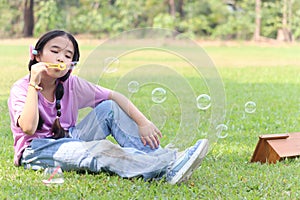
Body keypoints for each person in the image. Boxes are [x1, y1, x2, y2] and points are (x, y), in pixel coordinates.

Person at [8, 30, 208, 184]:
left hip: (69, 137)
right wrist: (34, 83)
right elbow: (28, 128)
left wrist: (143, 122)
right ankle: (166, 166)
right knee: (100, 149)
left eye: (68, 55)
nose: (61, 58)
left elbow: (115, 96)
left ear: (72, 64)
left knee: (109, 107)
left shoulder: (72, 85)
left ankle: (166, 159)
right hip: (36, 150)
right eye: (54, 51)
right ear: (37, 55)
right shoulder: (21, 88)